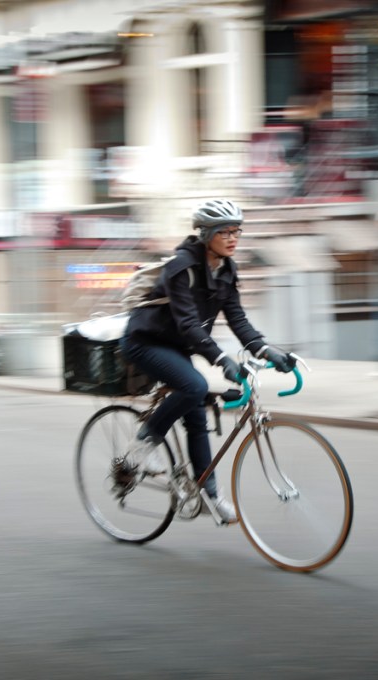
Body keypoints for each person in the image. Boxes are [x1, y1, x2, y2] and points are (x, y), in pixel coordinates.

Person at [119, 198, 296, 524]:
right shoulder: (182, 267)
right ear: (205, 234)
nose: (232, 238)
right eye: (224, 232)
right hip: (145, 341)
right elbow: (188, 324)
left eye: (236, 231)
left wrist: (266, 350)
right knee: (195, 386)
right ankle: (142, 445)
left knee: (197, 413)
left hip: (177, 347)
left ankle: (208, 495)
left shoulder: (227, 270)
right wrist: (221, 359)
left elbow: (238, 320)